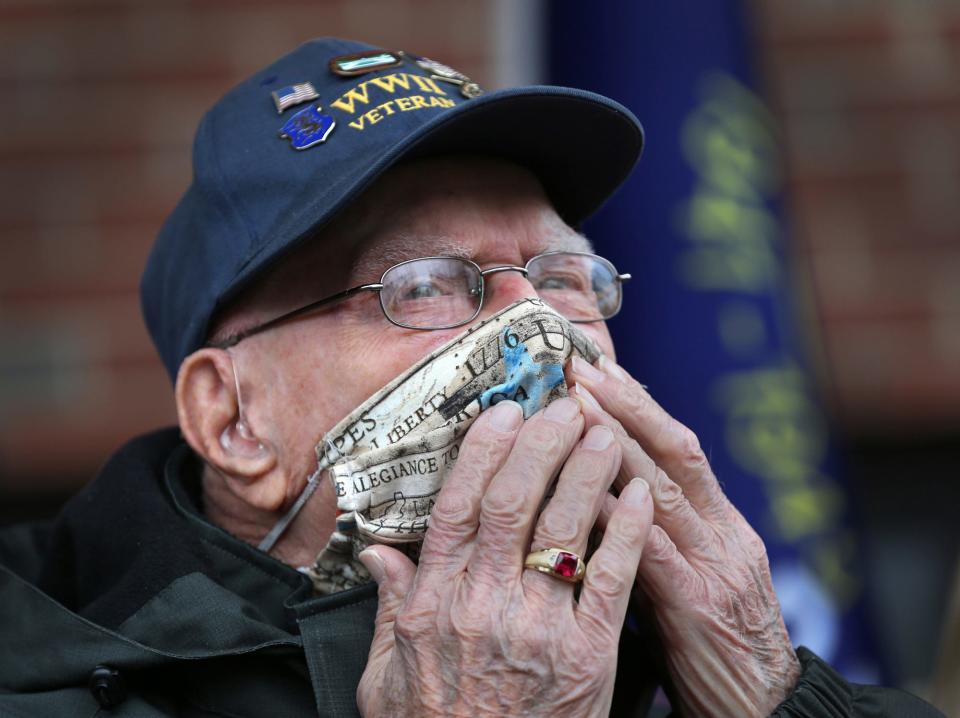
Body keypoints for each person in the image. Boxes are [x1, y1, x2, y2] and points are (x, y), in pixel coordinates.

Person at [0, 37, 942, 718]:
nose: (533, 330)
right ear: (232, 419)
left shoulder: (692, 650)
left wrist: (775, 696)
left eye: (564, 278)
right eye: (423, 286)